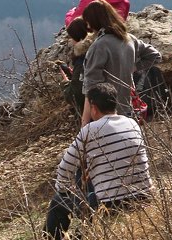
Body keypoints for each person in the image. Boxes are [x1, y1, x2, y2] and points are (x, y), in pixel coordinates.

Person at [45, 83, 152, 239]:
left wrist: (64, 190)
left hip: (110, 204)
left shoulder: (90, 130)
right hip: (143, 196)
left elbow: (65, 167)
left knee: (59, 202)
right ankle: (84, 234)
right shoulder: (132, 123)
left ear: (93, 107)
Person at [80, 1, 161, 126]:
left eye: (88, 22)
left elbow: (91, 84)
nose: (88, 26)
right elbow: (155, 56)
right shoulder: (129, 39)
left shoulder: (99, 46)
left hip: (104, 111)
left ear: (94, 21)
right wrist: (134, 67)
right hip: (127, 107)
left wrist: (85, 121)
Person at [58, 16, 92, 115]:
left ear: (78, 37)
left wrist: (65, 83)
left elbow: (75, 96)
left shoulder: (82, 60)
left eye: (72, 37)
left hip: (91, 117)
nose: (71, 41)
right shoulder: (96, 51)